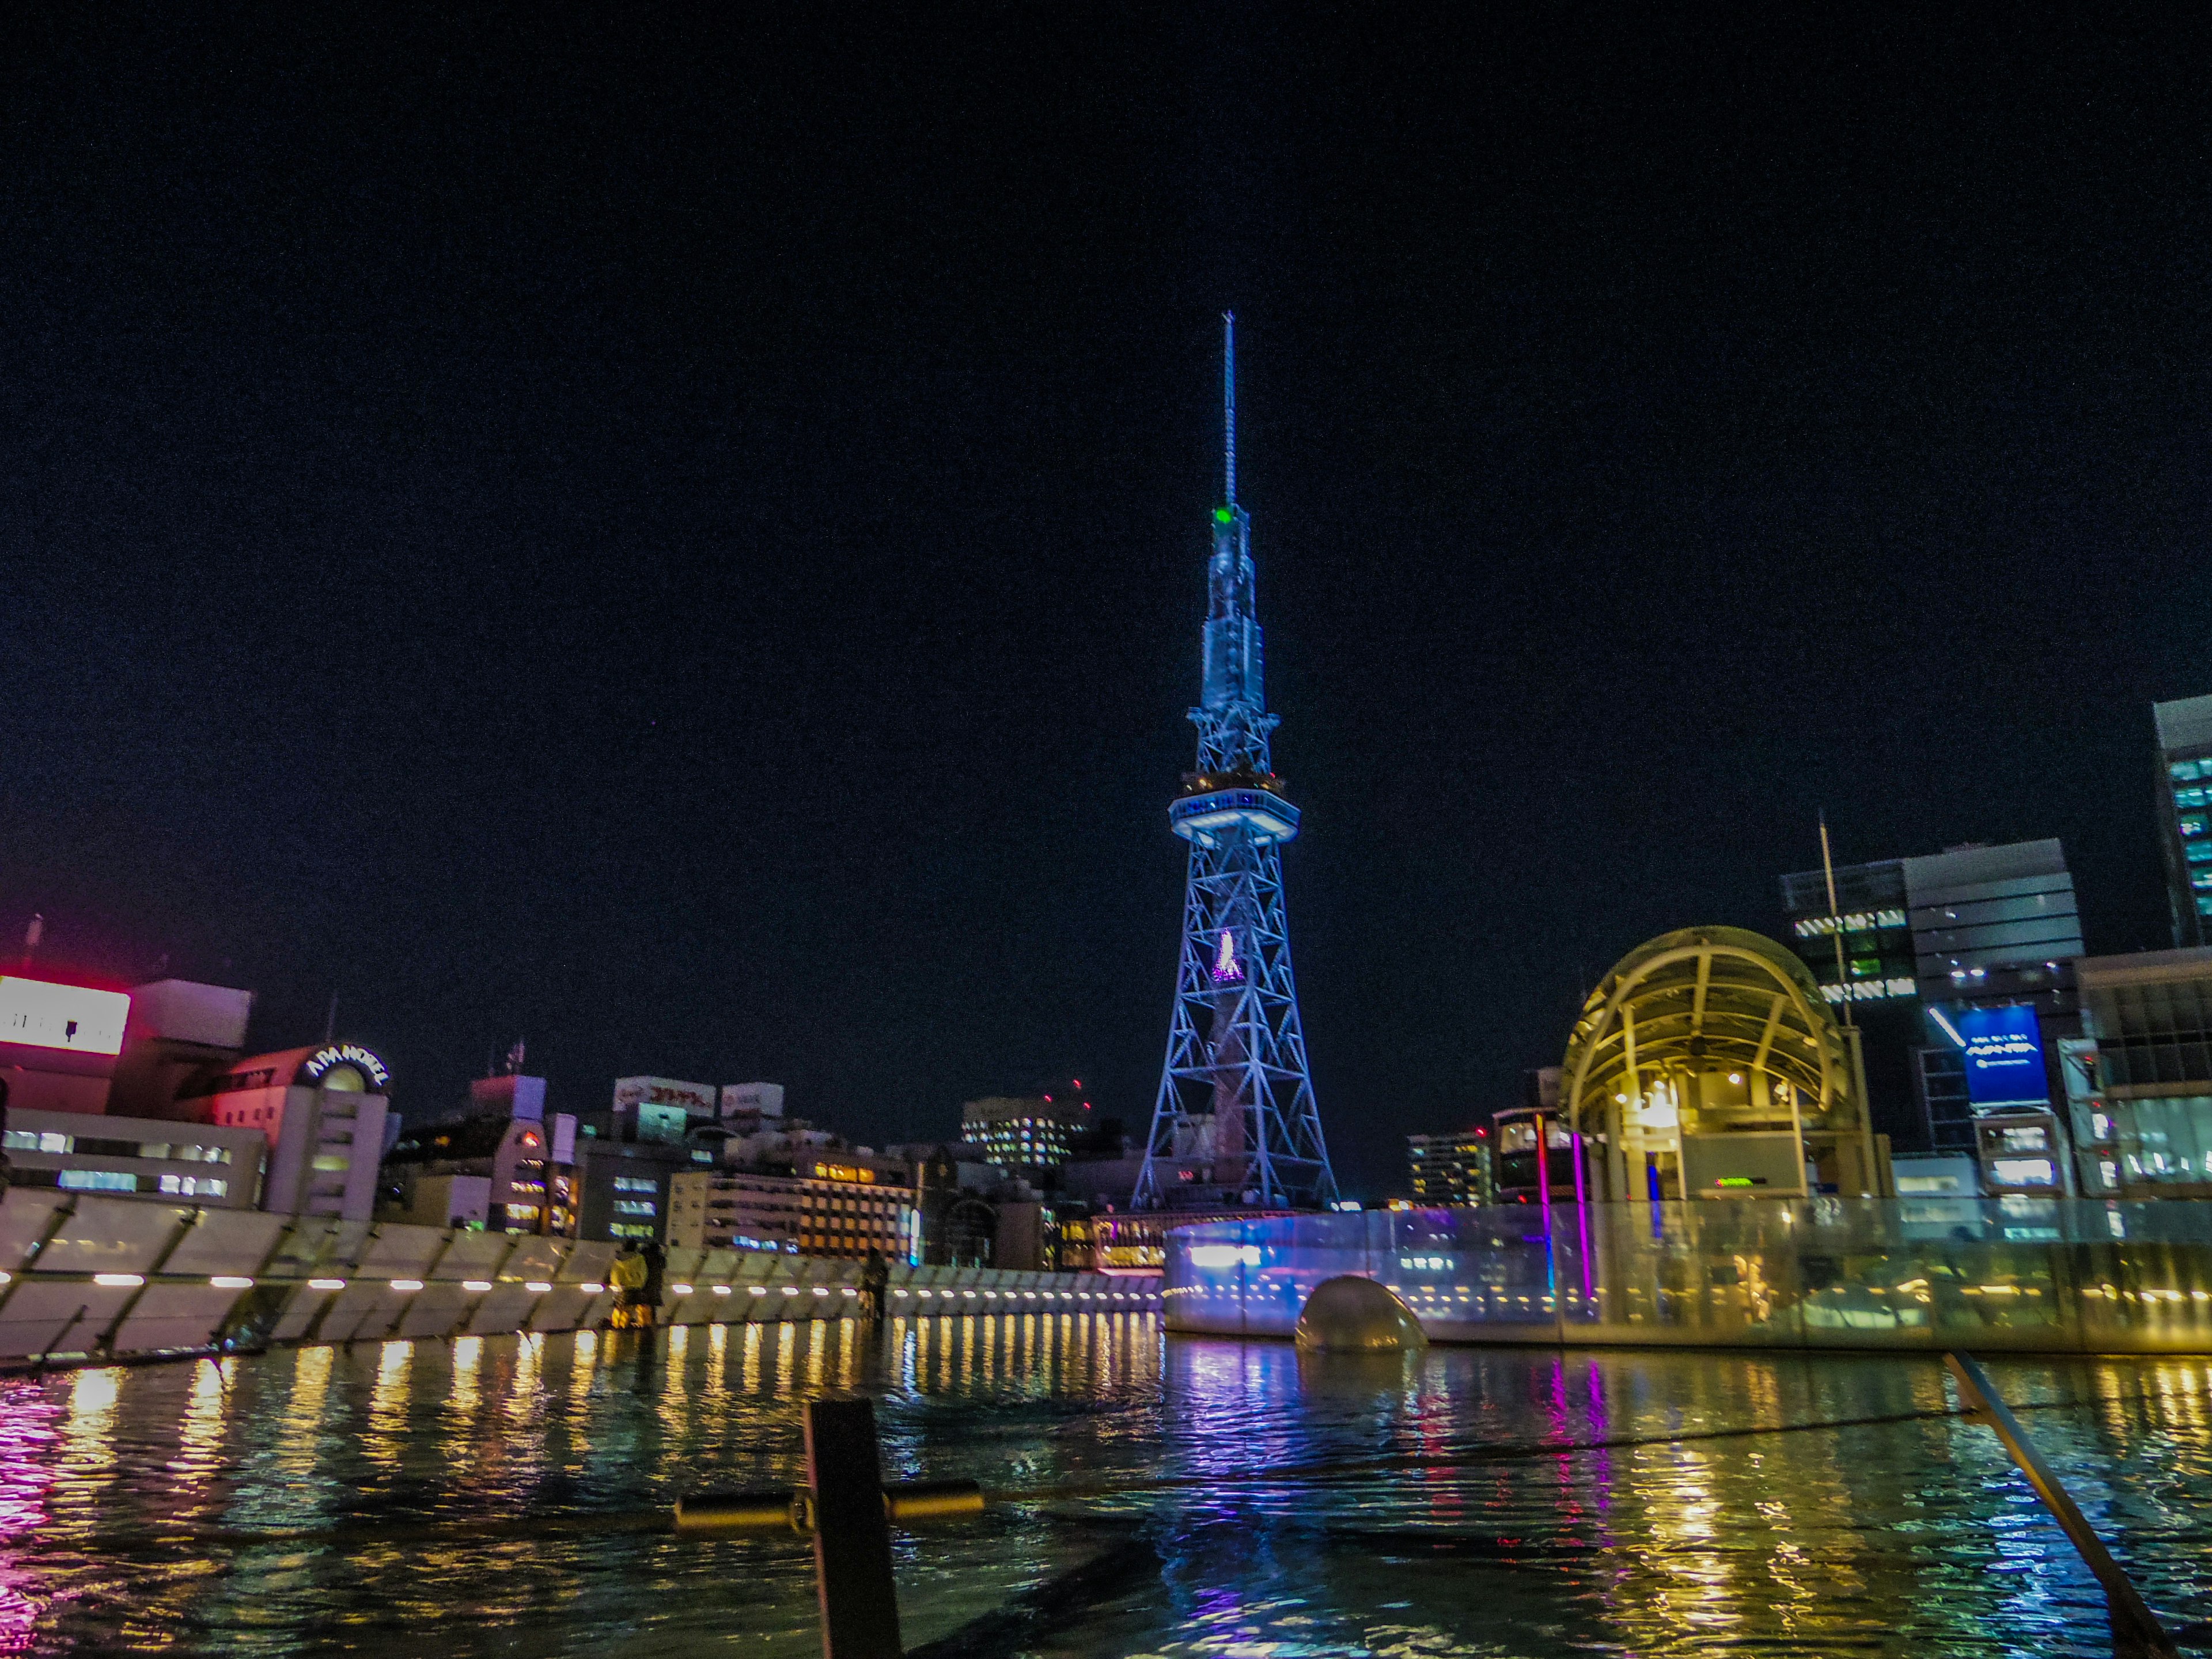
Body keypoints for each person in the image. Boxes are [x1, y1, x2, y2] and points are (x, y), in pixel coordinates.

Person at [608, 1241, 647, 1329]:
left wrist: (617, 1284)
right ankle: (623, 1326)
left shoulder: (618, 1259)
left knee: (619, 1308)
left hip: (621, 1288)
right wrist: (640, 1284)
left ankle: (616, 1325)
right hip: (634, 1288)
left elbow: (615, 1273)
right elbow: (643, 1273)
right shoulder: (639, 1258)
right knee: (629, 1309)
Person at [638, 1237, 667, 1328]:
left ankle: (643, 1323)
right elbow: (664, 1265)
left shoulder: (643, 1256)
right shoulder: (660, 1258)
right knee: (652, 1305)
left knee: (643, 1304)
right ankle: (651, 1324)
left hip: (644, 1283)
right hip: (656, 1284)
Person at [859, 1248, 891, 1323]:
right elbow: (887, 1272)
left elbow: (865, 1274)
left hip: (872, 1286)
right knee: (880, 1302)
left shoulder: (869, 1262)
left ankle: (869, 1314)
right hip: (880, 1286)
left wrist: (863, 1286)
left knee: (872, 1301)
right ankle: (879, 1317)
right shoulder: (882, 1262)